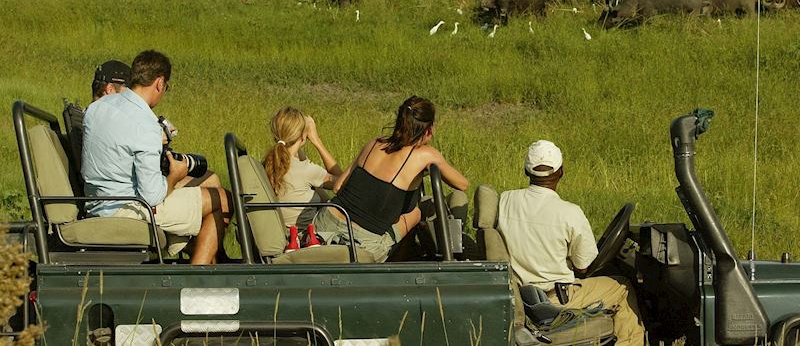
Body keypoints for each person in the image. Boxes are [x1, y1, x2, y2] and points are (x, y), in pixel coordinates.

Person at [81, 50, 231, 265]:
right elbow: (151, 197)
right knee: (223, 199)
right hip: (127, 208)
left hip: (97, 203)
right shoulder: (146, 122)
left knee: (207, 184)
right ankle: (198, 279)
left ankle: (206, 259)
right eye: (166, 87)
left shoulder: (96, 109)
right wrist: (175, 175)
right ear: (160, 83)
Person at [497, 140, 645, 346]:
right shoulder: (570, 212)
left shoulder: (505, 200)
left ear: (526, 170)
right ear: (561, 172)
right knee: (622, 287)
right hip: (557, 298)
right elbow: (584, 266)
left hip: (522, 295)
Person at [313, 96, 469, 262]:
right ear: (429, 130)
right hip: (362, 244)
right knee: (416, 213)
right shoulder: (426, 155)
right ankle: (400, 263)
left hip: (325, 222)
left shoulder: (373, 143)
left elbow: (337, 186)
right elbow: (462, 184)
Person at [263, 107, 341, 229]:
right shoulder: (306, 171)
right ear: (303, 137)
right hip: (308, 236)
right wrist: (316, 140)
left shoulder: (268, 163)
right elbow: (341, 183)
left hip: (282, 232)